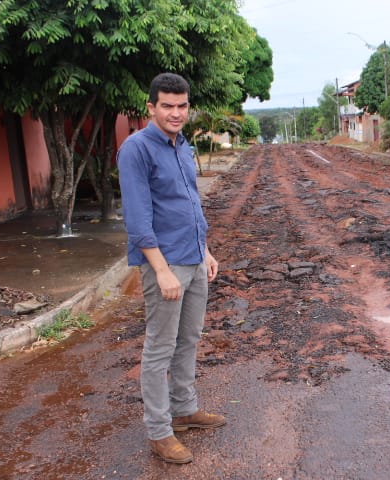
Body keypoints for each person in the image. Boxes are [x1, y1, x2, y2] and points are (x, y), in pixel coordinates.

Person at [117, 72, 225, 464]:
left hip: (195, 258)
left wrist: (206, 250)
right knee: (159, 346)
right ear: (151, 107)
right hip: (165, 263)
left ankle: (185, 410)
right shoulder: (136, 149)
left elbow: (190, 203)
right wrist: (161, 270)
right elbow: (137, 218)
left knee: (190, 338)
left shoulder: (183, 147)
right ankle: (160, 431)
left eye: (182, 106)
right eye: (167, 105)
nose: (176, 113)